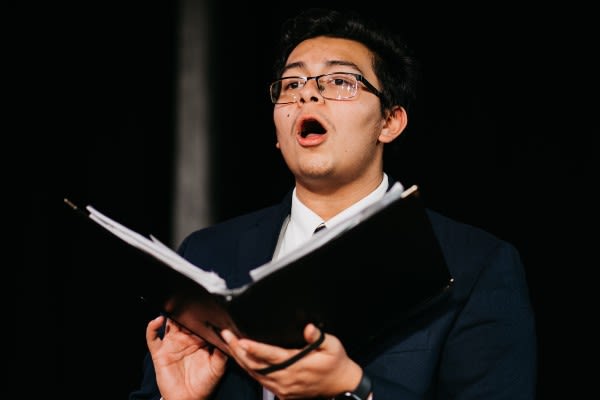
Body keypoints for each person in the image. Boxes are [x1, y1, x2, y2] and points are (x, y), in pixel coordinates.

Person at [129, 7, 537, 400]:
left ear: (389, 122)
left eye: (340, 81)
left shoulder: (476, 265)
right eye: (291, 85)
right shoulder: (206, 254)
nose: (307, 95)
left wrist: (355, 388)